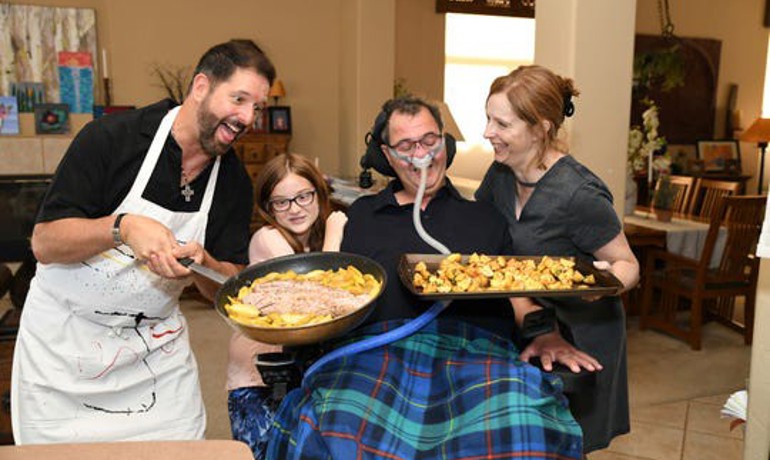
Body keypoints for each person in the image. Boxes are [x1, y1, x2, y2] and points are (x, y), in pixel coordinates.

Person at [267, 96, 583, 459]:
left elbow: (519, 297)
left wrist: (547, 334)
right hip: (376, 353)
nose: (421, 153)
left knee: (527, 423)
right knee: (333, 425)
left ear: (444, 142)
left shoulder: (484, 218)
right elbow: (329, 296)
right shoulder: (362, 216)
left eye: (429, 141)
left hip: (475, 355)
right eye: (406, 145)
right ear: (387, 155)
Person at [11, 39, 276, 444]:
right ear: (201, 86)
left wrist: (205, 262)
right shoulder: (112, 139)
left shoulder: (233, 182)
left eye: (257, 107)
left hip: (154, 360)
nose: (247, 118)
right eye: (238, 99)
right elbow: (45, 243)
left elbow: (228, 281)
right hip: (63, 356)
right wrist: (123, 227)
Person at [475, 65, 640, 453]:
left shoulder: (578, 194)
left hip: (580, 334)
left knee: (564, 441)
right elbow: (485, 239)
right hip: (524, 320)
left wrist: (603, 286)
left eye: (501, 123)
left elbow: (628, 264)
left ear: (540, 128)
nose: (487, 133)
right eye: (487, 118)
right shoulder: (499, 175)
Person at [227, 152, 347, 459]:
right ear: (268, 208)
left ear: (319, 194)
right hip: (259, 379)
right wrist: (335, 235)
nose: (294, 209)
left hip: (301, 370)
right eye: (281, 202)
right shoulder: (267, 238)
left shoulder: (315, 239)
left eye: (303, 196)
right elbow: (317, 300)